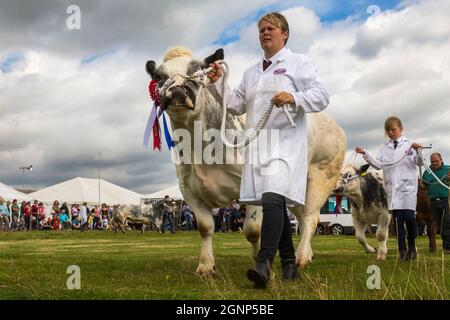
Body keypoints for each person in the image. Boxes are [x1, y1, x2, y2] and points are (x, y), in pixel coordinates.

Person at [207, 12, 329, 288]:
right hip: (258, 146)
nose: (264, 33)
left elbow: (322, 96)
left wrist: (294, 97)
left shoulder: (299, 63)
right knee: (276, 203)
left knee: (274, 198)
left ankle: (263, 263)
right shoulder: (251, 72)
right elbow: (236, 104)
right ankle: (289, 263)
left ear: (284, 34)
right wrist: (217, 82)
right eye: (261, 29)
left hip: (285, 145)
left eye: (270, 28)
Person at [356, 116, 423, 261]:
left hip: (408, 188)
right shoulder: (384, 149)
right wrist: (364, 154)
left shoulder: (410, 144)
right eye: (388, 130)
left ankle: (412, 245)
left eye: (394, 129)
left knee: (410, 219)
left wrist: (418, 151)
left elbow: (419, 163)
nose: (391, 133)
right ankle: (403, 251)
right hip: (393, 189)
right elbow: (378, 165)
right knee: (398, 221)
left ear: (401, 129)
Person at [420, 153, 450, 253]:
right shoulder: (427, 173)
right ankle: (437, 245)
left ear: (441, 160)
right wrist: (420, 184)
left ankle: (447, 247)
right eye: (432, 161)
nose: (435, 163)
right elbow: (424, 187)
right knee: (437, 225)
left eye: (436, 161)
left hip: (446, 200)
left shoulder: (448, 169)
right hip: (433, 202)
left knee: (447, 222)